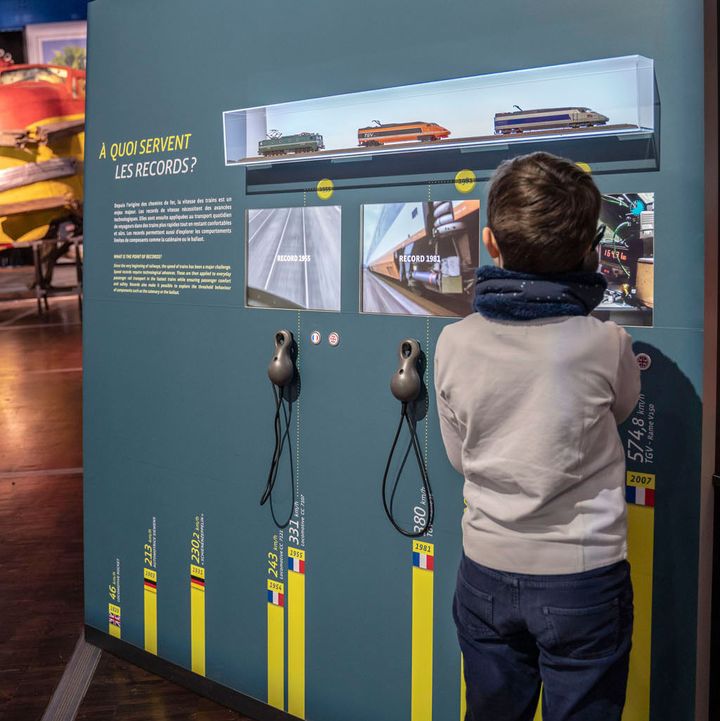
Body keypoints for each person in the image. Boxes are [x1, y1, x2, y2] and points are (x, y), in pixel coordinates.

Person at [434, 152, 641, 721]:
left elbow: (460, 458)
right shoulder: (606, 343)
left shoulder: (452, 342)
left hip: (485, 573)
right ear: (589, 250)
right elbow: (623, 407)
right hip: (583, 580)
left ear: (493, 245)